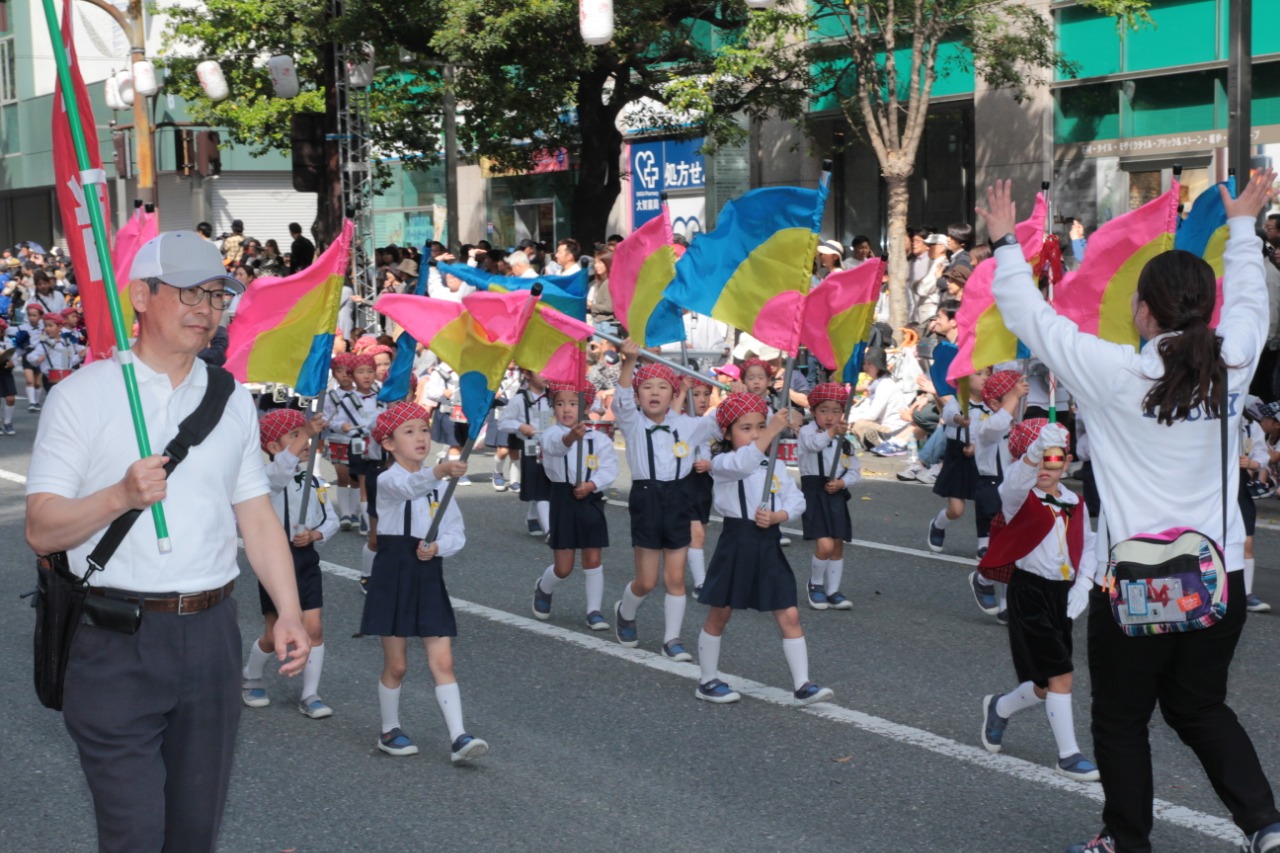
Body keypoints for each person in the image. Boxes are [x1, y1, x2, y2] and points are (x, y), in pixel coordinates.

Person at [980, 173, 1280, 853]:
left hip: (1135, 584)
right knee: (1200, 705)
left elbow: (1031, 317)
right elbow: (1253, 299)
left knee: (1120, 719)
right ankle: (1266, 825)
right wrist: (1240, 225)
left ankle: (1126, 840)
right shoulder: (1233, 358)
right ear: (1208, 309)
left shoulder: (1113, 371)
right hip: (1218, 575)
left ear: (1144, 311)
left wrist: (1004, 238)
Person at [24, 229, 310, 852]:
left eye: (217, 296)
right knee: (134, 834)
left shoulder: (230, 398)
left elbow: (256, 514)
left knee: (191, 835)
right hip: (112, 641)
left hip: (211, 636)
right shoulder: (81, 397)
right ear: (140, 296)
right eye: (188, 293)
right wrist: (119, 498)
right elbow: (41, 528)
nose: (206, 310)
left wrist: (286, 610)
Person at [360, 402, 487, 763]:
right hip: (394, 570)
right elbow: (409, 486)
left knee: (443, 660)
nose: (420, 437)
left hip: (427, 572)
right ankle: (389, 729)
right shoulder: (388, 480)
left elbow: (456, 532)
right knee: (397, 665)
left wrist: (439, 546)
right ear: (388, 444)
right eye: (409, 431)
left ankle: (459, 736)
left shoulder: (439, 488)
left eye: (425, 430)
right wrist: (440, 470)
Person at [978, 419, 1100, 783]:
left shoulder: (1074, 501)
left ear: (1066, 463)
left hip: (1061, 593)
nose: (1047, 468)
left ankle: (999, 707)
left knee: (1045, 685)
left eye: (1055, 460)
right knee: (1062, 674)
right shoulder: (1020, 497)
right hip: (1028, 592)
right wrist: (1036, 450)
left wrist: (1084, 584)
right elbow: (1015, 482)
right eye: (1040, 460)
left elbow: (1090, 544)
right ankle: (1068, 755)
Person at [693, 392, 834, 706]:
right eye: (746, 428)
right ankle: (706, 680)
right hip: (736, 543)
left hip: (767, 543)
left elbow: (796, 500)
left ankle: (803, 684)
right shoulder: (723, 462)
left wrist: (779, 516)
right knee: (720, 613)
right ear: (727, 433)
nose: (756, 433)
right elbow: (744, 463)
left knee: (789, 612)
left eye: (760, 426)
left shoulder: (775, 465)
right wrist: (772, 430)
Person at [613, 341, 719, 659]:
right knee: (646, 581)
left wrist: (740, 394)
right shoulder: (632, 424)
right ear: (638, 395)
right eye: (646, 386)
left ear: (675, 395)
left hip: (678, 497)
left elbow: (720, 422)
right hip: (646, 499)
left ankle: (671, 640)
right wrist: (630, 362)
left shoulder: (686, 425)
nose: (654, 392)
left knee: (675, 578)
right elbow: (619, 401)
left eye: (662, 386)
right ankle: (626, 611)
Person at [242, 408, 337, 718]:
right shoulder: (268, 478)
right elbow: (282, 472)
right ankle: (251, 676)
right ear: (272, 447)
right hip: (273, 558)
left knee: (314, 628)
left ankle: (310, 694)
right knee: (273, 635)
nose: (304, 440)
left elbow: (330, 518)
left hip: (305, 558)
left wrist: (315, 534)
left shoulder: (315, 478)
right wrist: (307, 433)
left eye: (304, 434)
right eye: (294, 436)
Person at [533, 381, 617, 629]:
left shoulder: (599, 439)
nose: (566, 409)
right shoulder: (551, 433)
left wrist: (593, 484)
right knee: (564, 566)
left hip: (590, 498)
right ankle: (543, 587)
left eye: (573, 403)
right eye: (559, 404)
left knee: (593, 558)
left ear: (586, 406)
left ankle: (594, 611)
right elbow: (555, 447)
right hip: (562, 498)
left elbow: (610, 467)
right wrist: (571, 437)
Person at [797, 382, 860, 610]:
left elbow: (855, 470)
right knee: (823, 544)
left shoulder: (845, 443)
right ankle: (815, 585)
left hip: (836, 492)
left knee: (837, 544)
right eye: (824, 410)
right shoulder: (807, 432)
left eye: (836, 411)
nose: (830, 416)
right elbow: (814, 445)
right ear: (813, 411)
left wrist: (843, 482)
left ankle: (834, 590)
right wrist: (832, 432)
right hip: (814, 491)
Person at [497, 369, 554, 535]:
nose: (546, 376)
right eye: (541, 372)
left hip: (551, 447)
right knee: (541, 484)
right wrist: (520, 426)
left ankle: (532, 517)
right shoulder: (519, 400)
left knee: (547, 484)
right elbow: (503, 423)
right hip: (531, 446)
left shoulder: (552, 397)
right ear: (528, 375)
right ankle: (550, 530)